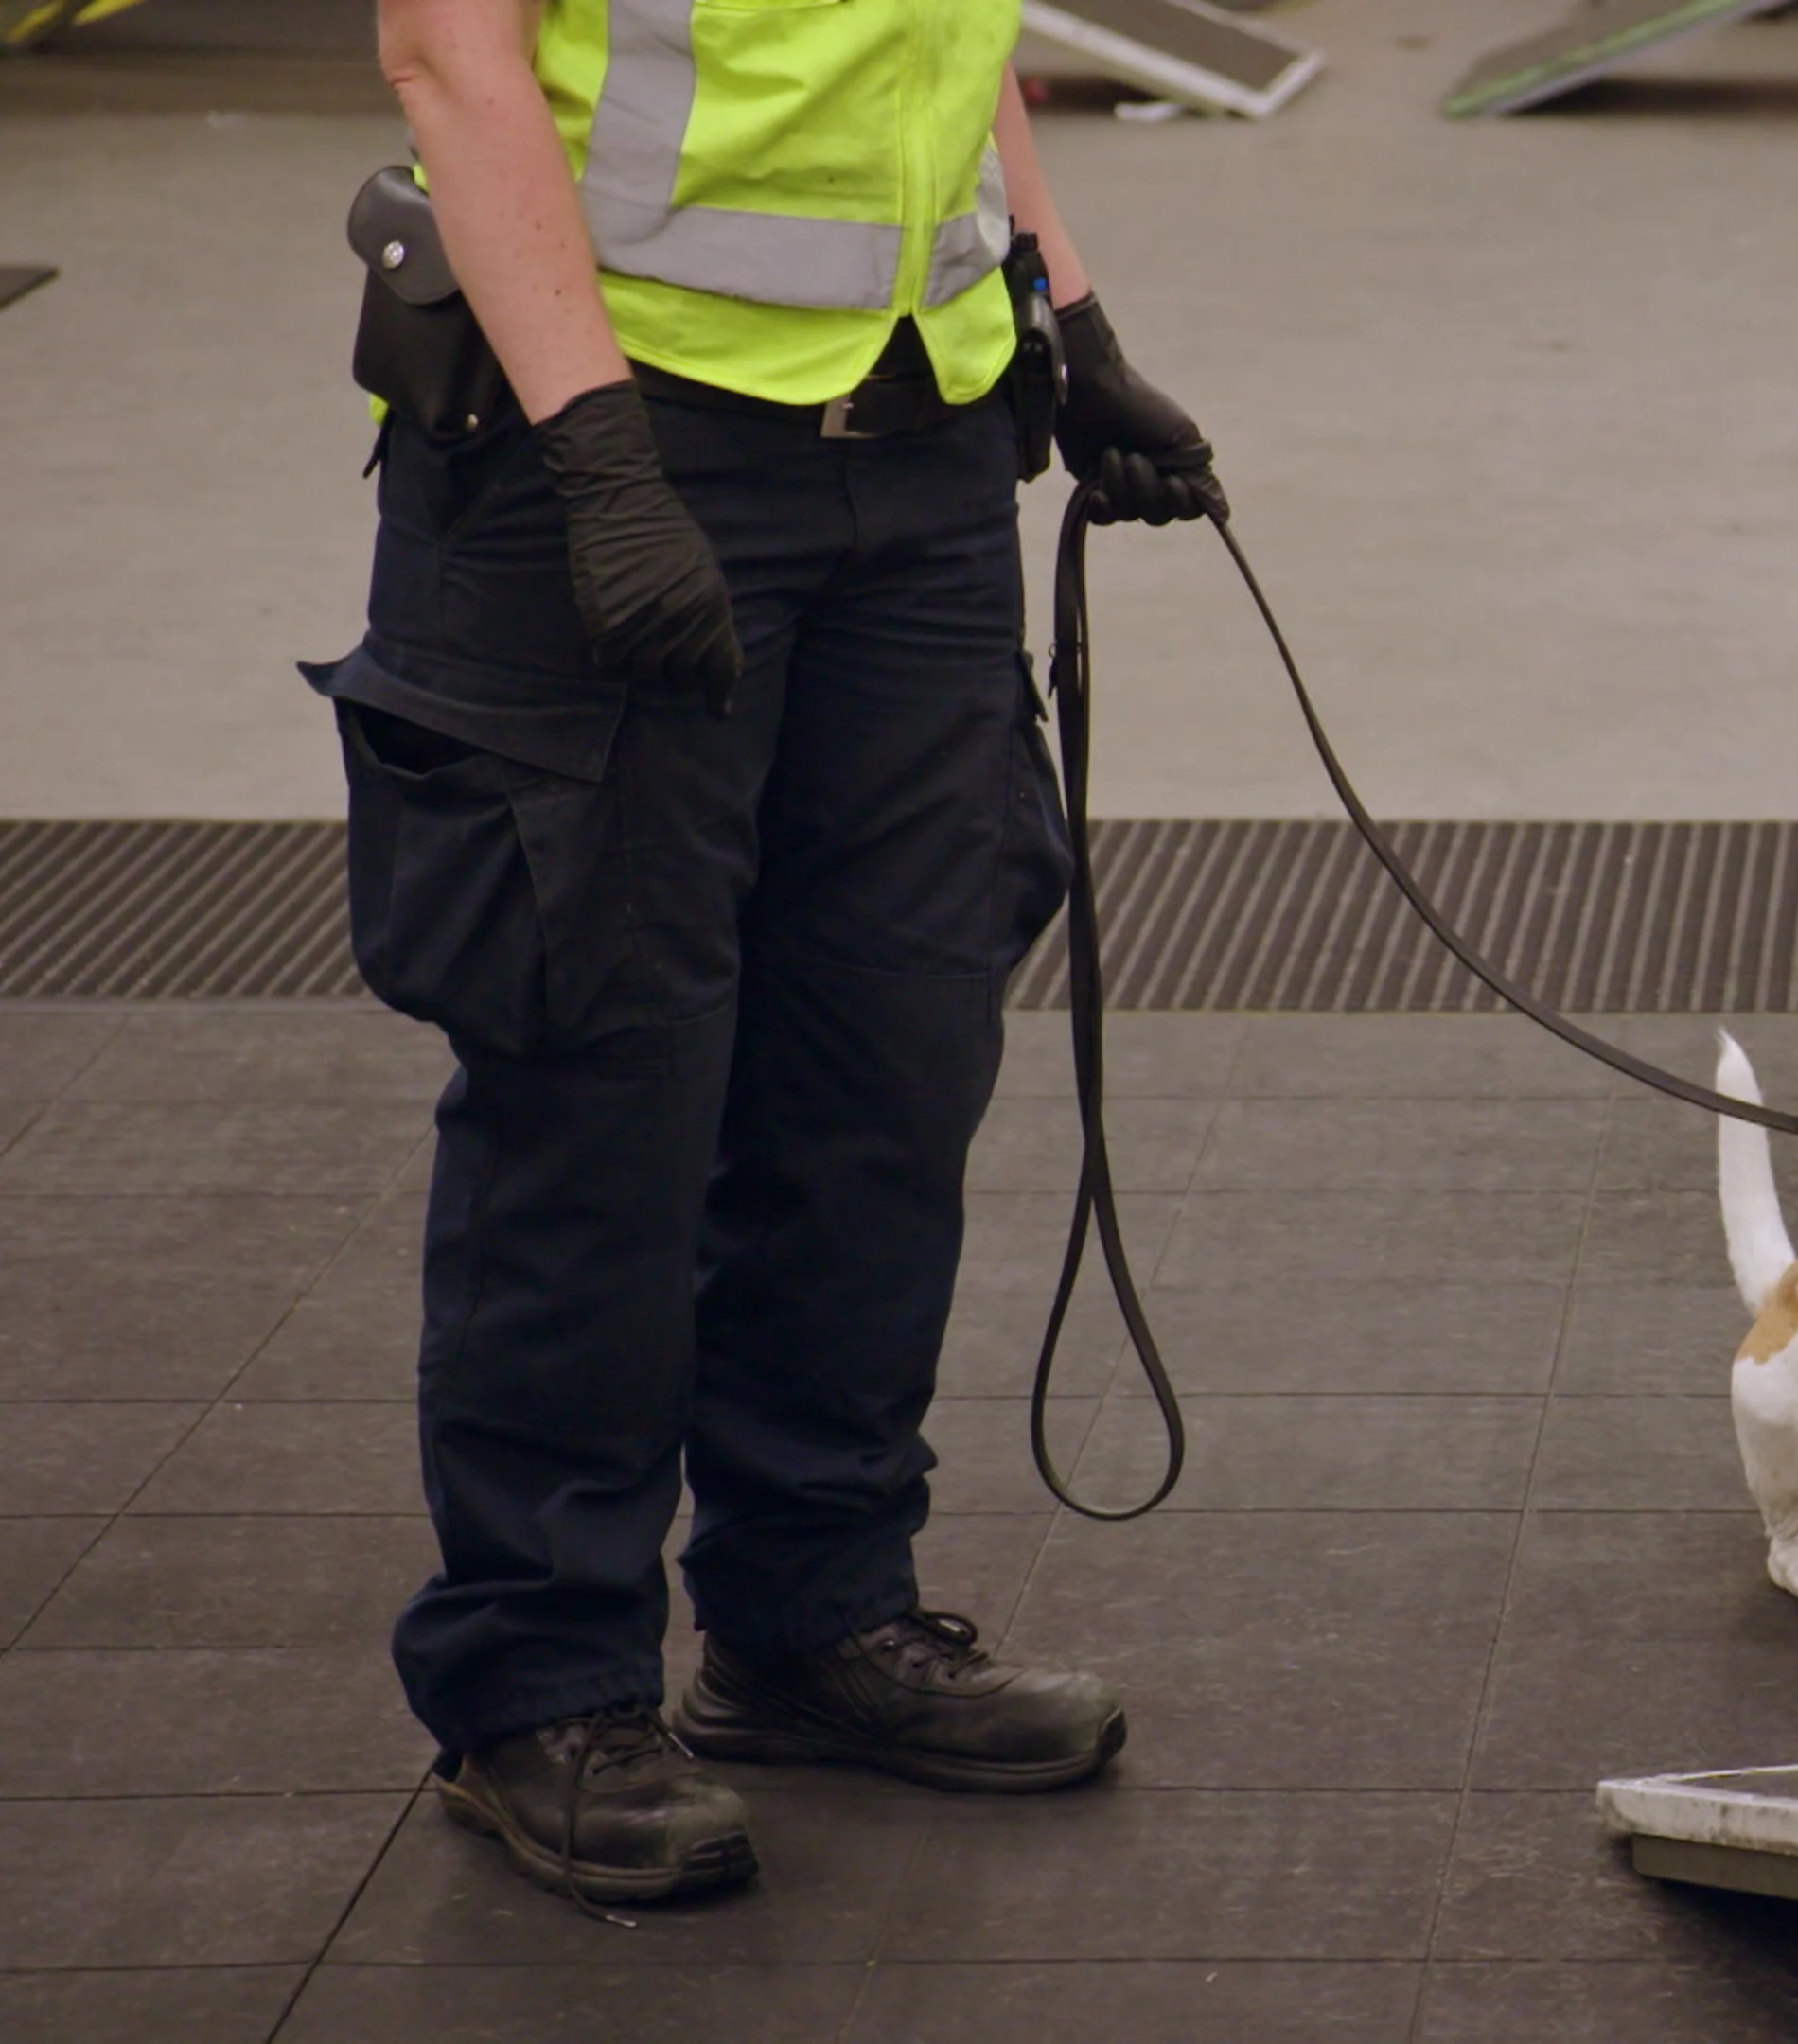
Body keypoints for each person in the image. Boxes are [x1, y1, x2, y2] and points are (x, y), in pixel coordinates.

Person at [326, 0, 1225, 1903]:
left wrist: (1064, 305)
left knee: (886, 1063)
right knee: (603, 1083)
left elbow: (942, 39)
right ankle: (538, 1684)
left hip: (916, 453)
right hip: (613, 445)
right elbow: (451, 58)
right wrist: (594, 451)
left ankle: (813, 1610)